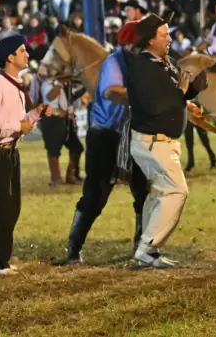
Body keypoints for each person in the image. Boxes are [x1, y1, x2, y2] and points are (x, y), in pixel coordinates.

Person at [112, 14, 208, 268]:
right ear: (150, 39)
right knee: (177, 190)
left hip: (163, 141)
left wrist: (196, 84)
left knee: (159, 195)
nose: (168, 38)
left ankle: (148, 252)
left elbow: (179, 95)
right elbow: (157, 105)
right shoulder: (142, 68)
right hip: (152, 142)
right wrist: (182, 91)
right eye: (163, 35)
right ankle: (147, 248)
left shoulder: (165, 62)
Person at [65, 21, 150, 264]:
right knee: (95, 196)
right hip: (106, 136)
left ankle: (140, 249)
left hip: (131, 134)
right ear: (132, 42)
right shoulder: (114, 62)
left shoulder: (142, 62)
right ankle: (73, 249)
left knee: (143, 192)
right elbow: (111, 93)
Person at [0, 35, 50, 274]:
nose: (27, 54)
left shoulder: (15, 85)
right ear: (10, 57)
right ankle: (1, 263)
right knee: (3, 208)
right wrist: (17, 126)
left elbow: (19, 123)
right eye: (22, 50)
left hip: (9, 152)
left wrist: (35, 114)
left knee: (11, 207)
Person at [40, 72, 84, 187]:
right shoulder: (47, 83)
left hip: (65, 120)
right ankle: (56, 179)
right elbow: (50, 96)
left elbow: (72, 96)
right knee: (54, 150)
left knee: (77, 147)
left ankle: (71, 176)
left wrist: (85, 87)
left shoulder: (65, 85)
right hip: (52, 120)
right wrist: (61, 83)